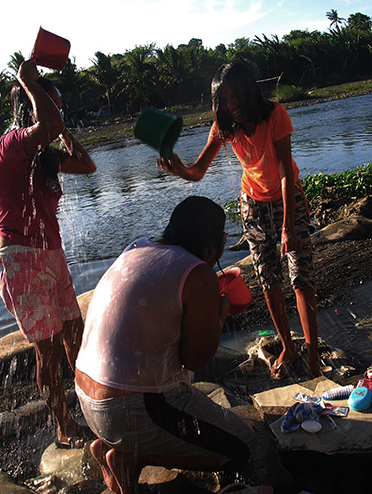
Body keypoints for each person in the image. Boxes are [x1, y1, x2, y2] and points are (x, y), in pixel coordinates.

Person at [75, 196, 256, 494]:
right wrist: (220, 314)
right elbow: (195, 359)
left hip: (86, 398)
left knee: (226, 428)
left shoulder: (138, 247)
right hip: (130, 409)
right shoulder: (199, 273)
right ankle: (132, 457)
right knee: (244, 445)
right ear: (220, 242)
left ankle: (119, 449)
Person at [158, 62, 321, 379]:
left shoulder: (275, 115)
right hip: (253, 204)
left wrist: (288, 225)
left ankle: (313, 351)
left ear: (249, 93)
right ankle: (288, 345)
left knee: (301, 276)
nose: (231, 106)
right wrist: (179, 168)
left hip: (289, 200)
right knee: (268, 277)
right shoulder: (224, 127)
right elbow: (198, 171)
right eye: (224, 100)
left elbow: (286, 172)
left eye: (236, 98)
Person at [0, 59, 96, 448]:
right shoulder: (9, 147)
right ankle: (64, 426)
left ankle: (91, 407)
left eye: (60, 107)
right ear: (31, 109)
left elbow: (88, 165)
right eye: (51, 105)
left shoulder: (47, 157)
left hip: (52, 257)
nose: (58, 113)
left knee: (76, 335)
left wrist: (65, 129)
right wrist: (28, 82)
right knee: (48, 350)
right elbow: (46, 126)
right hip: (19, 259)